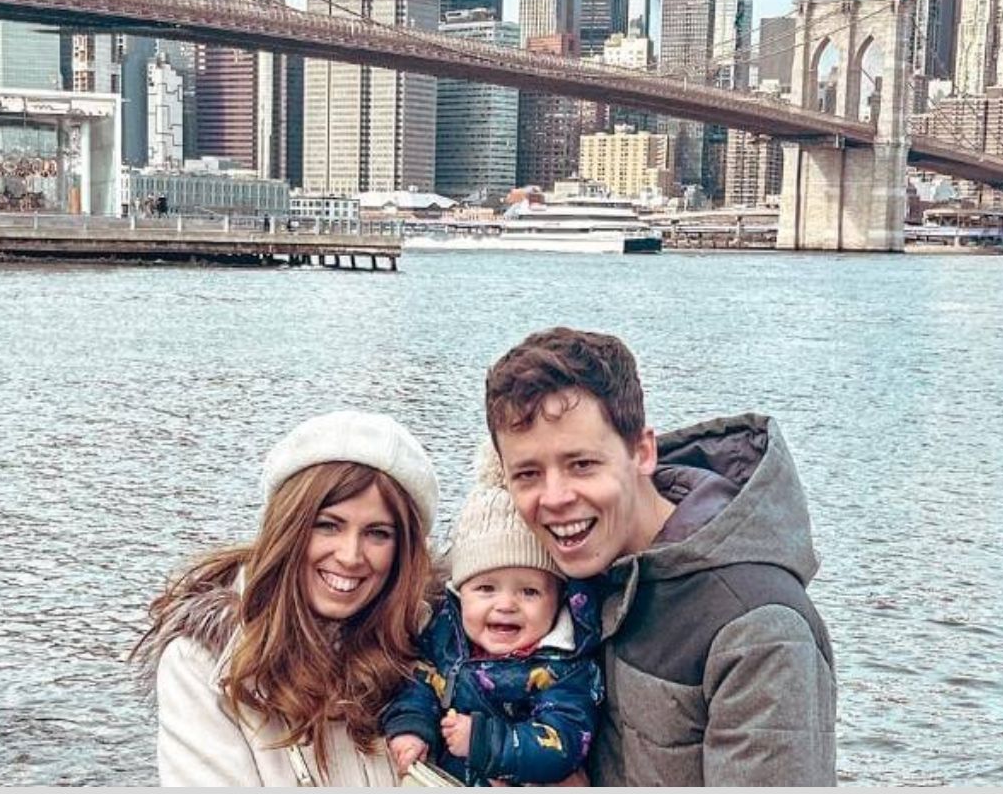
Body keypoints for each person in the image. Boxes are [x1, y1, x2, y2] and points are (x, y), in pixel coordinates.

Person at [484, 327, 836, 786]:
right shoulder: (566, 571)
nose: (554, 498)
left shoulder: (758, 630)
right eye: (527, 473)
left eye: (582, 465)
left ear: (642, 451)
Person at [136, 411, 438, 786]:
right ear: (289, 528)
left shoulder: (435, 647)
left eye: (377, 533)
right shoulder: (204, 665)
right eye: (328, 525)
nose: (350, 556)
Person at [382, 447, 602, 786]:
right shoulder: (445, 636)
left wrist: (485, 742)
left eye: (529, 592)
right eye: (486, 588)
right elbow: (418, 684)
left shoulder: (563, 667)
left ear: (557, 600)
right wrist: (411, 727)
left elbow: (565, 742)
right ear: (460, 593)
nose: (506, 604)